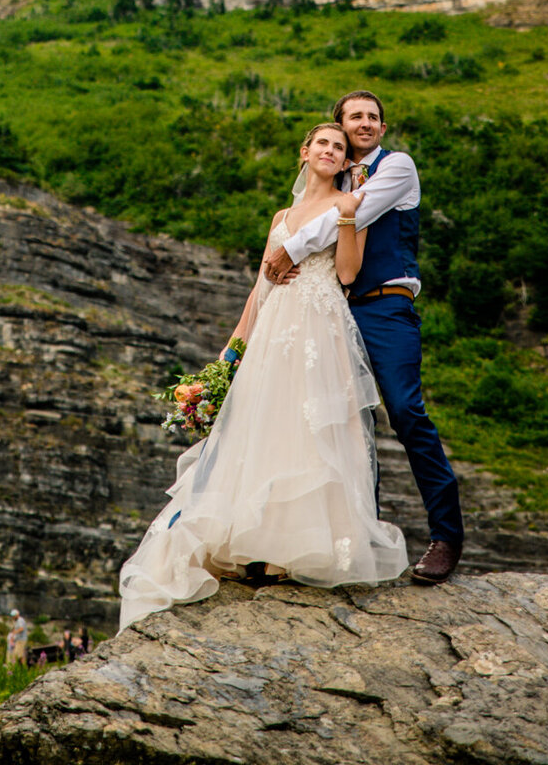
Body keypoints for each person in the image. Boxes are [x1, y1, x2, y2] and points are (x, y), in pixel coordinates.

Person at [118, 121, 407, 629]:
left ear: (345, 162)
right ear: (304, 152)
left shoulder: (348, 205)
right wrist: (228, 356)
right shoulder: (281, 215)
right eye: (323, 143)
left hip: (320, 329)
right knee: (264, 430)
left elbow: (346, 274)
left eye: (339, 148)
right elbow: (260, 290)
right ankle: (252, 543)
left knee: (309, 431)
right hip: (274, 330)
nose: (331, 151)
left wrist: (344, 219)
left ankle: (294, 549)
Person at [263, 89, 463, 585]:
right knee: (342, 422)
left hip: (387, 304)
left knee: (404, 410)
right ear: (341, 125)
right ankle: (357, 538)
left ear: (383, 127)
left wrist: (289, 250)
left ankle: (446, 536)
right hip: (333, 310)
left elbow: (345, 220)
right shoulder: (332, 177)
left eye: (375, 116)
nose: (367, 123)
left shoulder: (397, 168)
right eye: (356, 116)